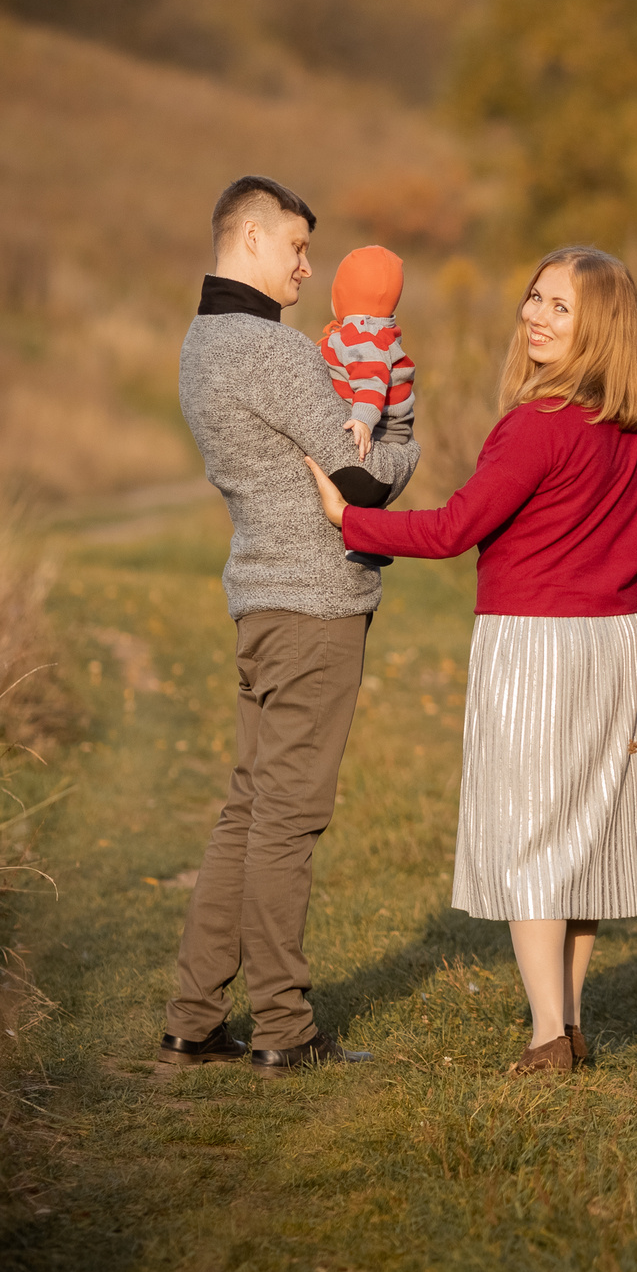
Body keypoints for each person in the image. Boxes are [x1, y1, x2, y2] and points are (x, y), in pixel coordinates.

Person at [306, 246, 637, 1073]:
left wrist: (350, 519)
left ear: (600, 326)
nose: (535, 315)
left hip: (533, 646)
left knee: (535, 837)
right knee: (586, 835)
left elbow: (456, 528)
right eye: (535, 297)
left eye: (560, 307)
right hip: (611, 649)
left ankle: (544, 1037)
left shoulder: (536, 426)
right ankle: (565, 1023)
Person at [159, 175, 417, 1077]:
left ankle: (194, 1017)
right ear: (252, 239)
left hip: (261, 597)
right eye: (299, 248)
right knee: (287, 819)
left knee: (248, 807)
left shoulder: (201, 342)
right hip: (314, 604)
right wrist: (407, 429)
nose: (310, 267)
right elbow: (367, 481)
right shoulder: (274, 352)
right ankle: (283, 1026)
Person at [321, 244, 417, 438]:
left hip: (376, 430)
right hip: (389, 429)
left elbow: (371, 380)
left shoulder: (362, 336)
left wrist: (363, 420)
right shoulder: (378, 333)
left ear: (343, 294)